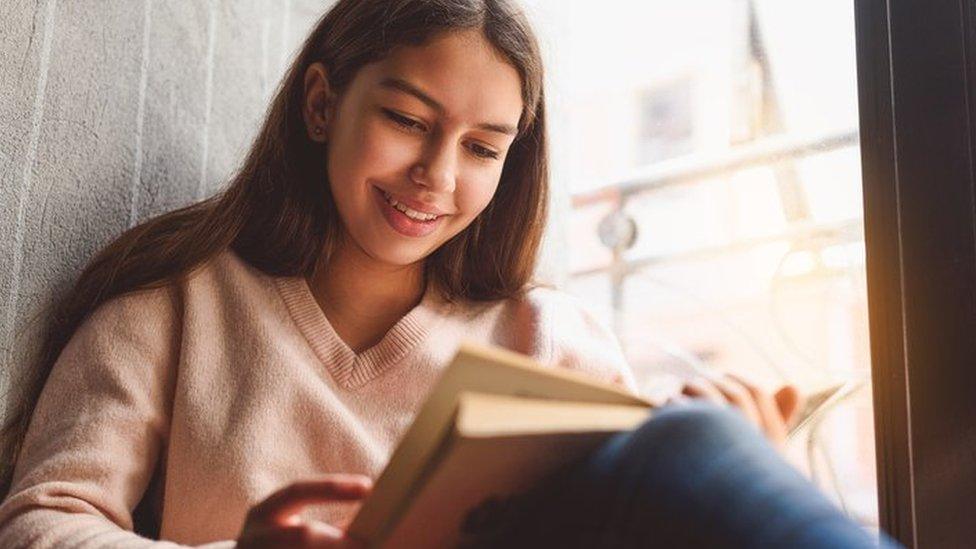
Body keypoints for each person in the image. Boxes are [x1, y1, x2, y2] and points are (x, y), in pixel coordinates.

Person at [0, 0, 889, 547]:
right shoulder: (175, 303)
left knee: (695, 446)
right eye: (406, 118)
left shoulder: (549, 335)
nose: (437, 174)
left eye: (482, 148)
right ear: (321, 103)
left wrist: (753, 471)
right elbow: (43, 524)